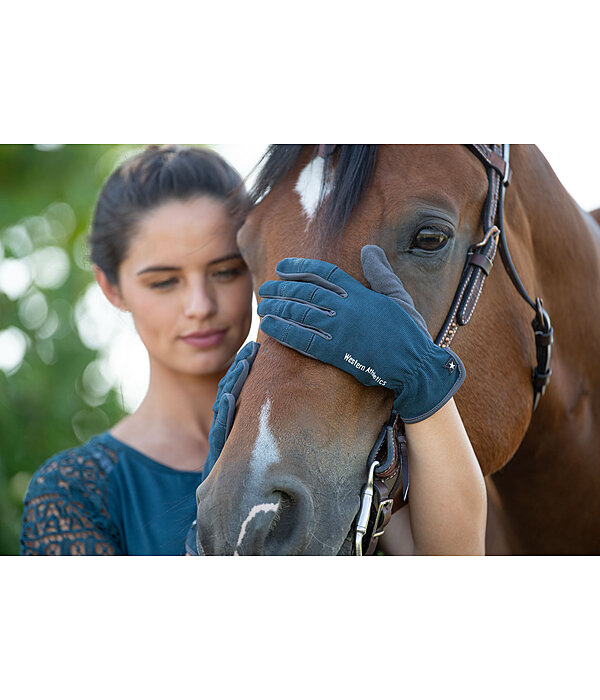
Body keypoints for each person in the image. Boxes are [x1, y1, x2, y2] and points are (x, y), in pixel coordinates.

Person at [20, 145, 255, 555]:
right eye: (164, 282)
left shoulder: (333, 437)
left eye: (226, 271)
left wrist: (409, 403)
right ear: (112, 288)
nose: (200, 305)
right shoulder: (73, 493)